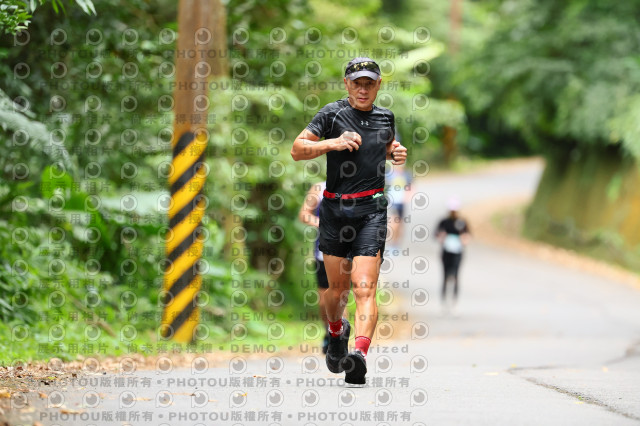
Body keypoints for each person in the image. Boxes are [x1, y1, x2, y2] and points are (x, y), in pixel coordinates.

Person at [291, 57, 407, 386]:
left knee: (365, 287)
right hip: (334, 211)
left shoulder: (386, 117)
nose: (363, 89)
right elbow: (297, 149)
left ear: (378, 85)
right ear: (347, 84)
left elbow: (382, 147)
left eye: (369, 83)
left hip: (372, 209)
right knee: (336, 291)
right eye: (357, 83)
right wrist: (334, 142)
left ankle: (359, 355)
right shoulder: (331, 114)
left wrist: (395, 152)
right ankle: (336, 331)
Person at [298, 181, 331, 354]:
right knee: (324, 300)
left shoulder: (356, 187)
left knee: (339, 297)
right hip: (322, 253)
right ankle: (328, 332)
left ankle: (339, 338)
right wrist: (321, 223)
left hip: (347, 253)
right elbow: (304, 213)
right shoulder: (319, 188)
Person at [436, 197, 471, 316]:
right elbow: (436, 234)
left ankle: (454, 302)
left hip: (457, 252)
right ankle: (444, 302)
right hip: (446, 252)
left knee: (455, 276)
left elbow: (468, 235)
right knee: (445, 277)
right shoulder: (444, 222)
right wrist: (441, 237)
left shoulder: (462, 222)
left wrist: (464, 239)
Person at [386, 161, 412, 249]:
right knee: (394, 222)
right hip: (392, 202)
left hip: (401, 202)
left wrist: (408, 196)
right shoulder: (389, 174)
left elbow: (410, 187)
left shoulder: (406, 174)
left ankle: (396, 244)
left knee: (400, 223)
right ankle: (392, 243)